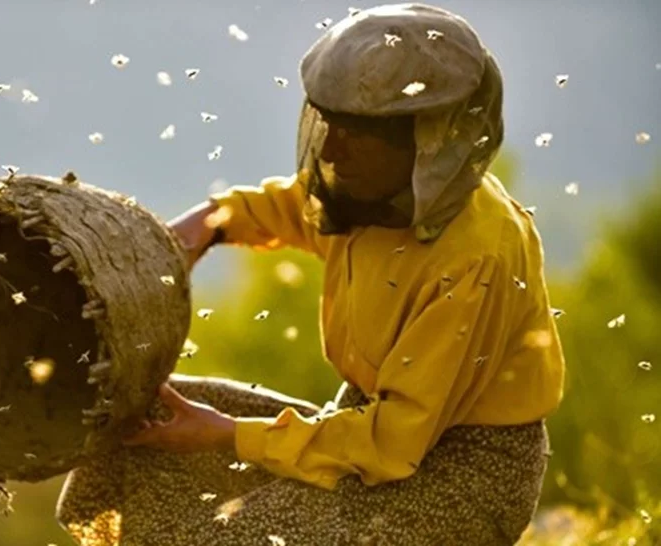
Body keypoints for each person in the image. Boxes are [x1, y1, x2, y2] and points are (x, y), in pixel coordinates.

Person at [55, 3, 565, 545]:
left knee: (243, 535)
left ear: (426, 137)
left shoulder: (475, 257)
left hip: (455, 477)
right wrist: (208, 224)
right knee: (143, 418)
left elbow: (391, 445)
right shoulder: (375, 191)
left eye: (355, 132)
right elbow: (296, 206)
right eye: (330, 123)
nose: (331, 147)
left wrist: (225, 435)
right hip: (363, 434)